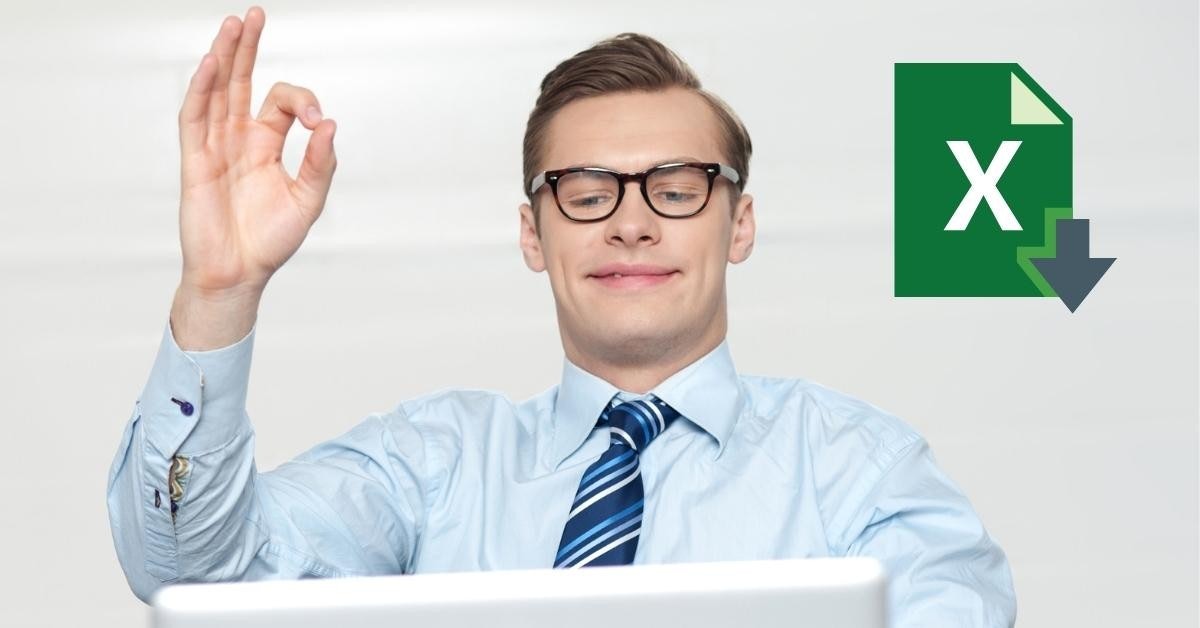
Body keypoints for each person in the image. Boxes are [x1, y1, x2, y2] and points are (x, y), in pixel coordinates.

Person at [107, 6, 1016, 626]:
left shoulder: (860, 473)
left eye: (676, 186)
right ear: (533, 234)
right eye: (584, 191)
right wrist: (220, 295)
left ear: (738, 224)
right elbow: (192, 580)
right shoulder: (430, 467)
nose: (630, 220)